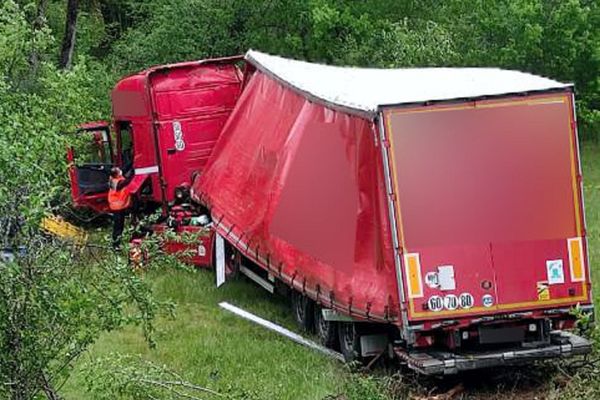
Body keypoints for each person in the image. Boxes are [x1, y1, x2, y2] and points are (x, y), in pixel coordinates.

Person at [108, 167, 132, 249]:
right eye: (119, 170)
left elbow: (125, 170)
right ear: (117, 174)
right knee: (118, 226)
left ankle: (117, 243)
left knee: (119, 226)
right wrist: (133, 173)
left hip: (119, 207)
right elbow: (126, 182)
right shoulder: (116, 183)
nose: (121, 170)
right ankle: (116, 244)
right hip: (117, 207)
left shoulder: (115, 178)